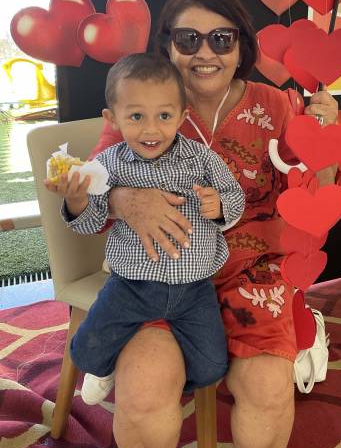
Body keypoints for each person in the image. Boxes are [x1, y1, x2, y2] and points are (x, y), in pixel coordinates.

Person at [91, 0, 338, 448]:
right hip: (161, 270)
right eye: (189, 39)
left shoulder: (278, 106)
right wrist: (124, 200)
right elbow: (91, 183)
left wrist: (324, 137)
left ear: (242, 46)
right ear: (167, 45)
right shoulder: (140, 103)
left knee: (269, 388)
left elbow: (319, 193)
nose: (205, 53)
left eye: (222, 39)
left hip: (254, 268)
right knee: (142, 390)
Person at [45, 52, 245, 405]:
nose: (151, 130)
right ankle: (110, 366)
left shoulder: (202, 159)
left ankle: (168, 378)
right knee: (87, 353)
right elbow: (92, 221)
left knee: (212, 368)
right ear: (113, 118)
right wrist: (77, 200)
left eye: (164, 116)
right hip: (130, 286)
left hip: (194, 289)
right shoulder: (107, 165)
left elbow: (235, 197)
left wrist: (219, 207)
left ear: (182, 116)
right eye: (136, 116)